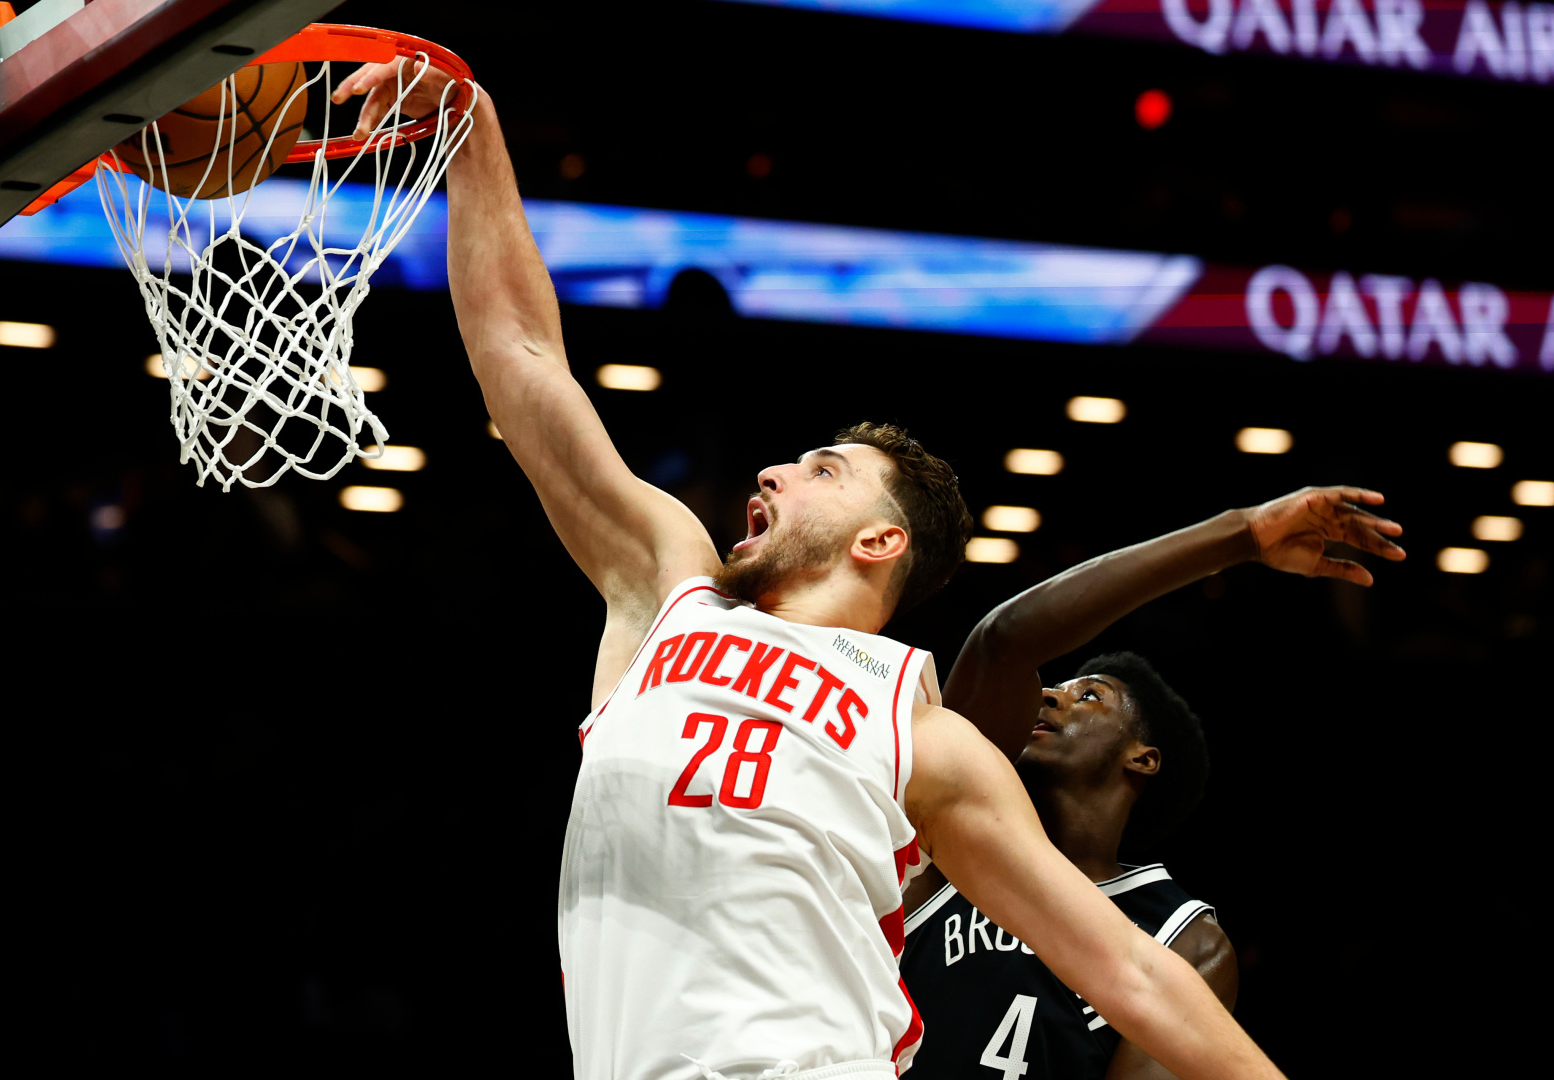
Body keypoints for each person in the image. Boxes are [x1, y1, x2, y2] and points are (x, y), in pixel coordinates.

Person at [335, 62, 1290, 1080]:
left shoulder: (923, 731)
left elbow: (1130, 975)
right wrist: (472, 134)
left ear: (880, 543)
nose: (774, 471)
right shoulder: (670, 594)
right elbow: (520, 352)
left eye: (822, 470)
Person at [901, 494, 1406, 1079]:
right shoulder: (954, 834)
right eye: (1059, 686)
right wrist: (1239, 534)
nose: (1049, 694)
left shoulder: (1184, 935)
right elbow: (1003, 641)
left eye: (1088, 695)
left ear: (1143, 760)